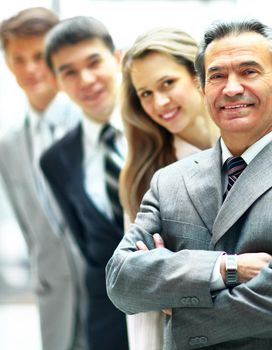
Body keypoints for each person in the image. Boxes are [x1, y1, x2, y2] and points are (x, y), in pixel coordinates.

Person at [106, 18, 272, 350]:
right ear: (203, 87)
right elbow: (121, 281)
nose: (232, 88)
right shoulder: (168, 181)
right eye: (218, 76)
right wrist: (227, 268)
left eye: (249, 72)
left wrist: (176, 305)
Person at [119, 27, 219, 349]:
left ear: (197, 74)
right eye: (145, 93)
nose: (159, 102)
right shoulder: (144, 175)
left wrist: (173, 275)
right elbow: (141, 295)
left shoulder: (256, 149)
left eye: (167, 84)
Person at [39, 16, 128, 350]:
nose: (86, 80)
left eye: (94, 63)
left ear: (117, 59)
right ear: (57, 81)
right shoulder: (55, 161)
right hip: (108, 324)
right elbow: (89, 244)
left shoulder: (160, 128)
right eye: (69, 72)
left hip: (183, 312)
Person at [0, 7, 86, 350]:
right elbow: (28, 226)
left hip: (111, 297)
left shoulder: (93, 124)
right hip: (54, 302)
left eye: (39, 56)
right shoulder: (9, 144)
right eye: (17, 58)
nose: (30, 68)